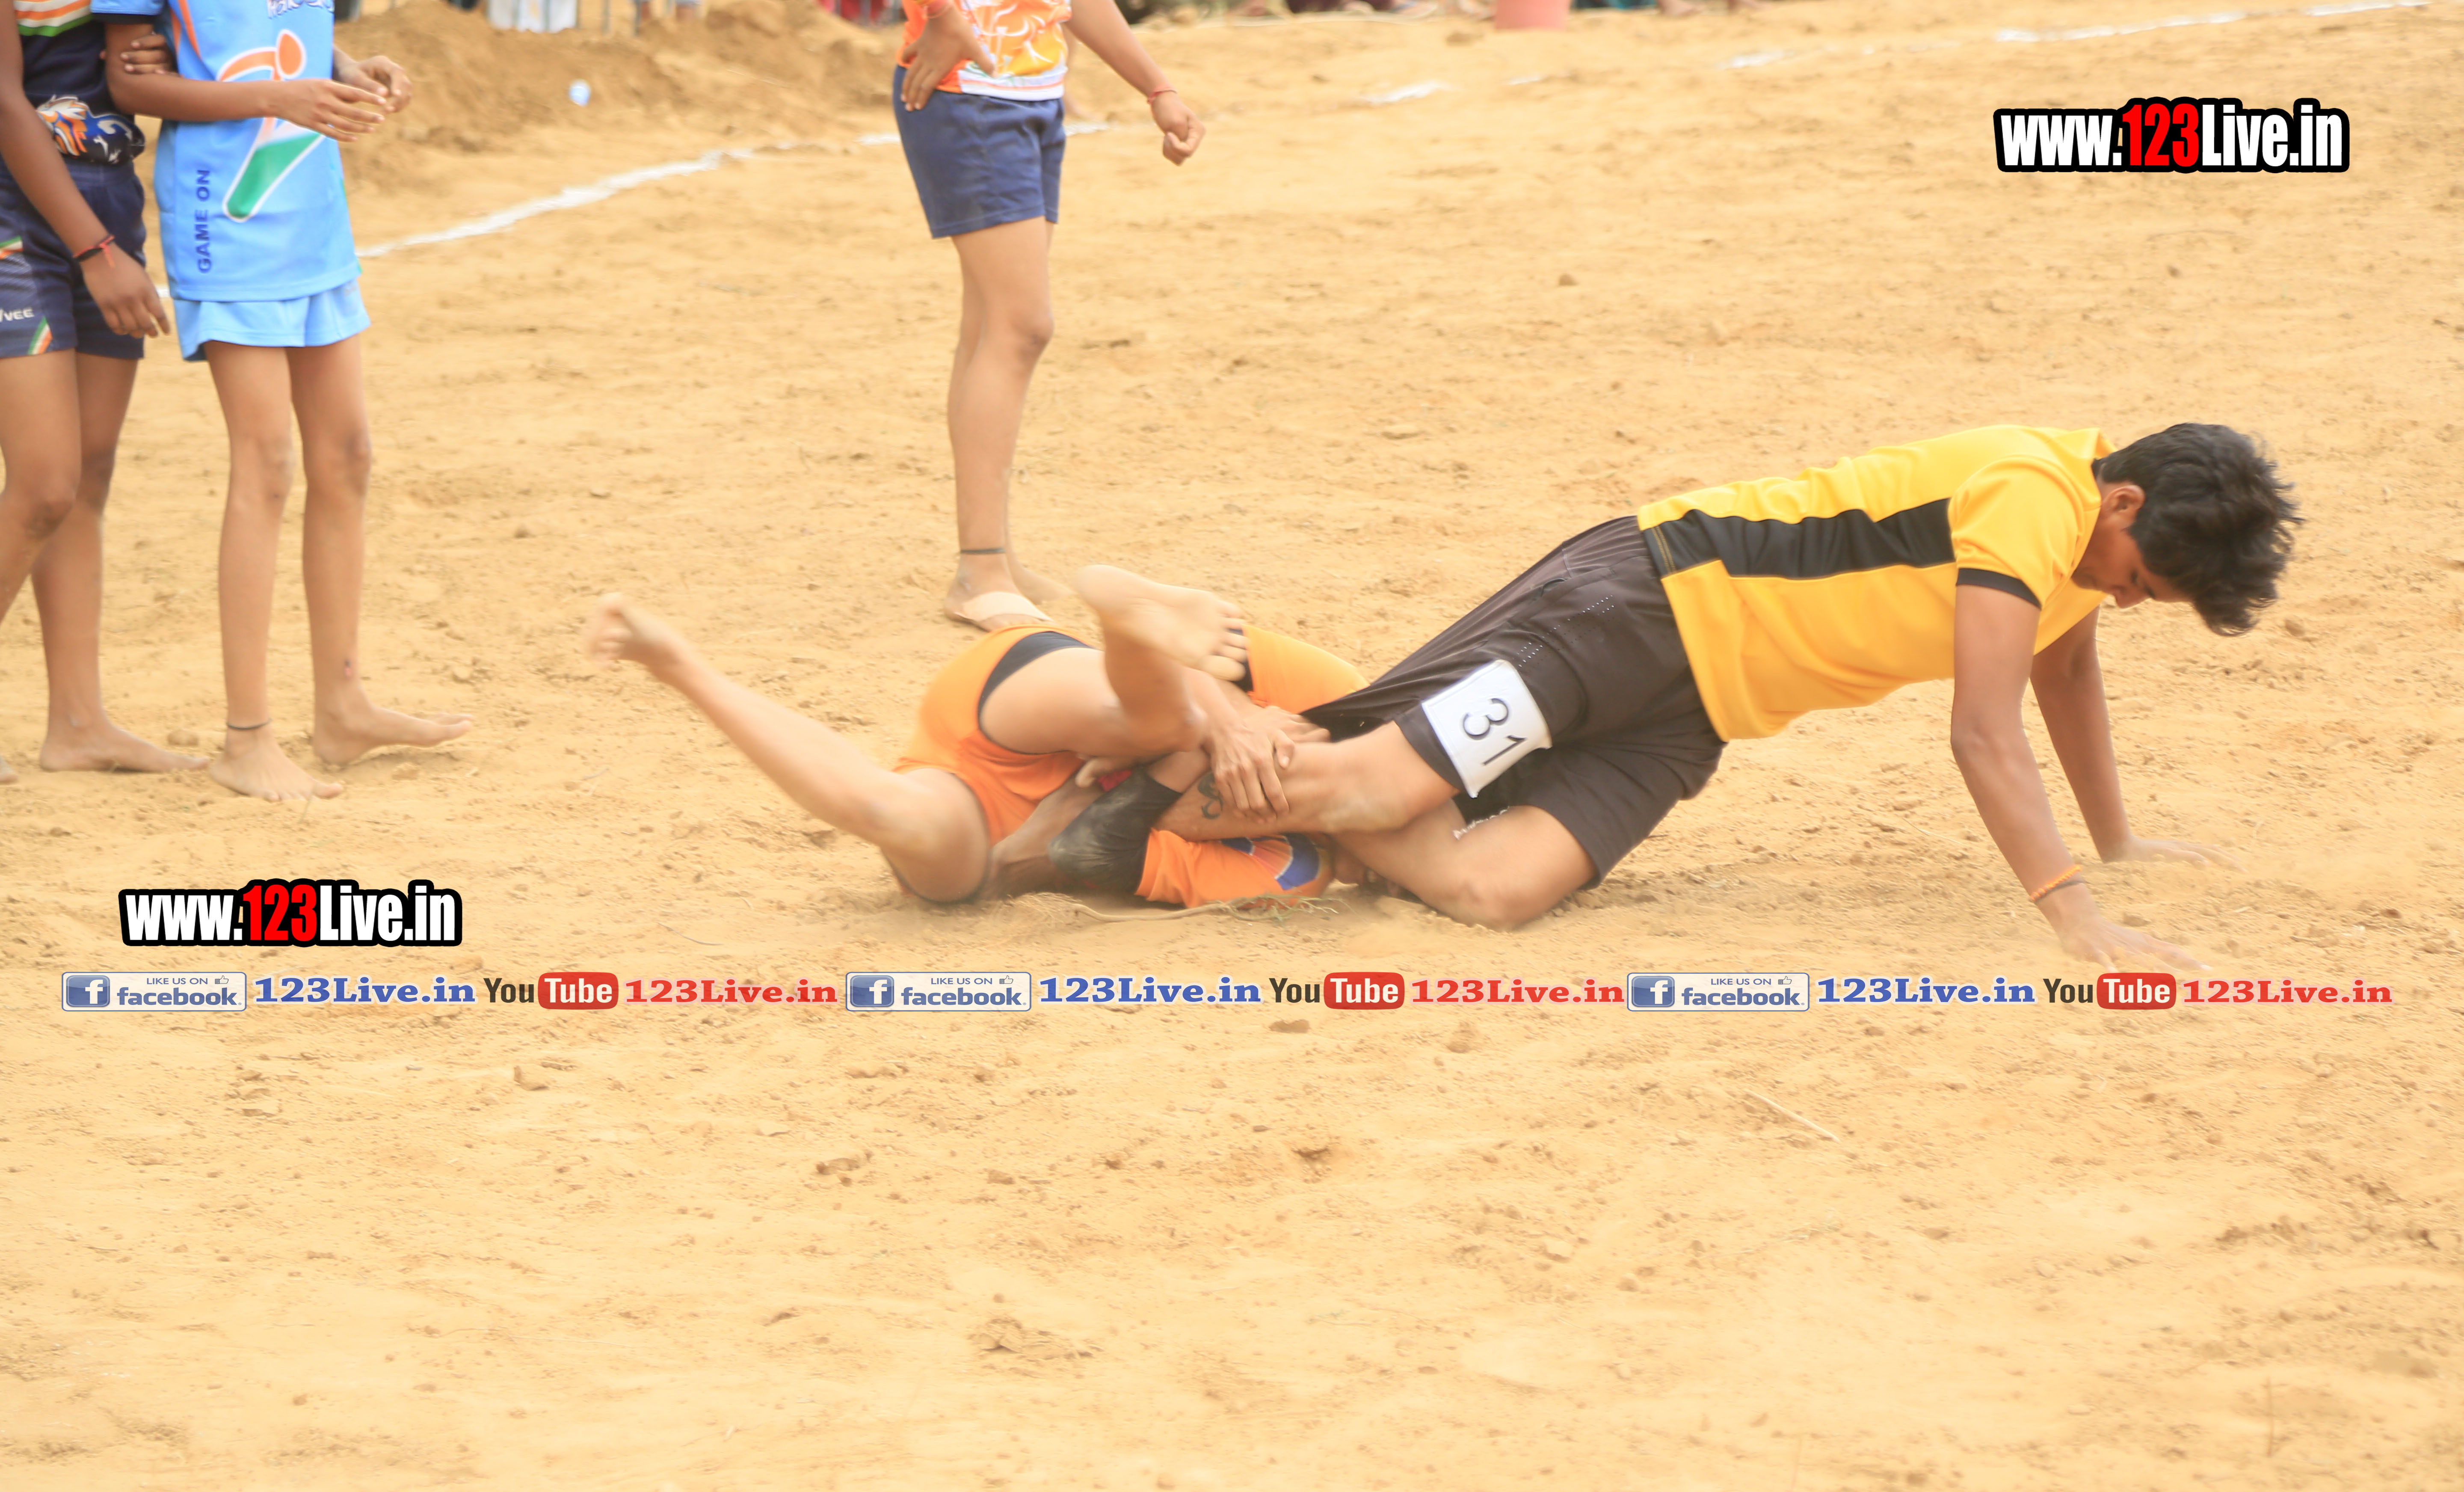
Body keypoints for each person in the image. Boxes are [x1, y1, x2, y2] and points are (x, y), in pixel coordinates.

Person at [1064, 424, 2299, 964]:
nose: (2127, 600)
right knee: (1370, 788)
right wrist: (2073, 913)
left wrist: (2115, 839)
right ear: (2123, 501)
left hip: (1699, 712)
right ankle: (1122, 785)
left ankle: (1207, 773)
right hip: (1641, 611)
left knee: (1493, 894)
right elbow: (1983, 730)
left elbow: (2063, 666)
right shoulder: (2037, 499)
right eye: (2141, 579)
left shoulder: (2084, 558)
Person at [96, 2, 467, 801]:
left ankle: (342, 708)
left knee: (349, 456)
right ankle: (246, 738)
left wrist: (347, 69)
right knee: (265, 464)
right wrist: (277, 97)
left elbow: (276, 39)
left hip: (313, 211)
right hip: (226, 220)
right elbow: (131, 85)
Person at [585, 566, 1365, 908]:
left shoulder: (1290, 872)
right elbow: (1209, 657)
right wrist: (1227, 727)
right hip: (1051, 705)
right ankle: (1125, 623)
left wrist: (1182, 763)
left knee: (912, 837)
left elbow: (1065, 854)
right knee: (1166, 719)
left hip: (989, 807)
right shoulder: (1339, 695)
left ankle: (682, 668)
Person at [896, 0, 1203, 631]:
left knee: (991, 326)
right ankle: (979, 568)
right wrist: (941, 14)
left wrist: (1157, 88)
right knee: (1021, 326)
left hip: (1030, 95)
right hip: (969, 94)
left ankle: (994, 557)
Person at [0, 6, 198, 784]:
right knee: (46, 484)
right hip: (17, 216)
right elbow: (4, 101)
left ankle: (79, 724)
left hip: (110, 202)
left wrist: (338, 62)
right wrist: (94, 251)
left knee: (87, 476)